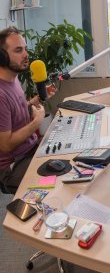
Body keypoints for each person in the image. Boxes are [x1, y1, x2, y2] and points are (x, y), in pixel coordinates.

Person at [0, 26, 56, 193]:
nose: (26, 55)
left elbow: (16, 112)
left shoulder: (13, 79)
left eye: (25, 49)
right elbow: (6, 145)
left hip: (31, 149)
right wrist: (36, 122)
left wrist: (37, 99)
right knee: (57, 184)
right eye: (18, 50)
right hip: (13, 165)